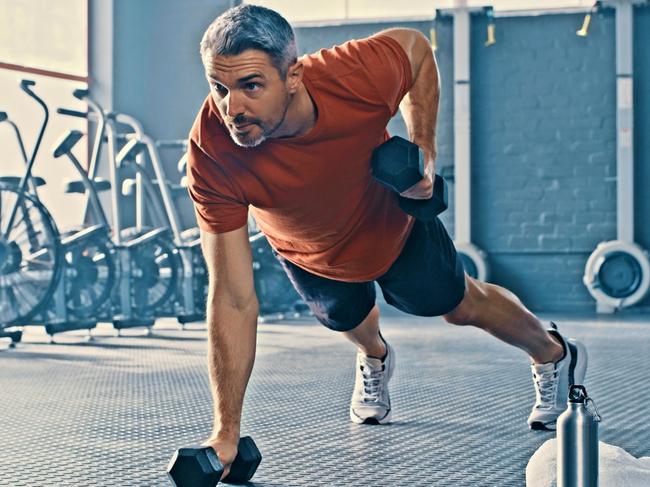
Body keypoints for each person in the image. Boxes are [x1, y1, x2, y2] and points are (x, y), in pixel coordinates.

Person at [186, 4, 588, 478]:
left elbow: (416, 51)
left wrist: (424, 147)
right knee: (349, 320)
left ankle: (553, 352)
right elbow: (232, 297)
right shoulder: (212, 151)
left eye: (250, 85)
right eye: (219, 87)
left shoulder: (352, 75)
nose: (232, 108)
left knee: (460, 304)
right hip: (310, 254)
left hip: (392, 228)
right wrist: (225, 431)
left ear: (292, 75)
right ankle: (375, 357)